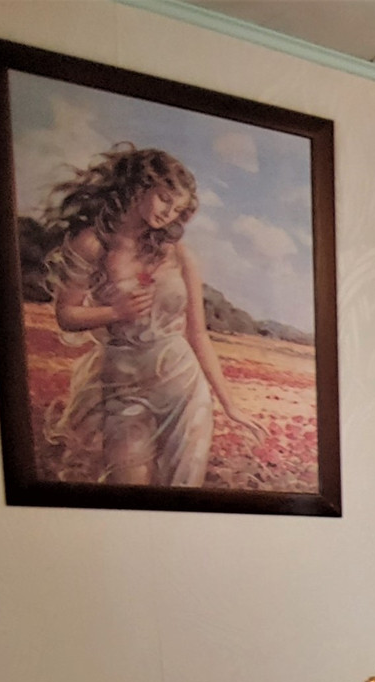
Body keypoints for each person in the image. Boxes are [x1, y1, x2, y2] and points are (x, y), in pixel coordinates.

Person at [39, 144, 265, 487]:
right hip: (122, 386)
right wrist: (116, 311)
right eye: (164, 199)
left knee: (185, 492)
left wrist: (230, 405)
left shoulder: (178, 254)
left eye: (178, 209)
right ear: (139, 187)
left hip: (183, 388)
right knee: (129, 493)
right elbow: (66, 315)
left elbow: (198, 334)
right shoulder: (92, 244)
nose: (169, 214)